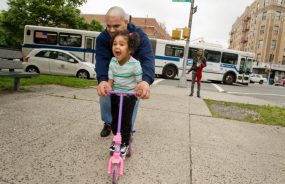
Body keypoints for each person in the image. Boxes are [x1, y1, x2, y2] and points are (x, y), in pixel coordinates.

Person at [95, 6, 155, 137]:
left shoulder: (140, 36)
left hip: (132, 74)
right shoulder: (102, 38)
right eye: (108, 26)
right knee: (105, 93)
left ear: (126, 22)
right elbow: (101, 60)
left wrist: (145, 81)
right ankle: (108, 123)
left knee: (133, 99)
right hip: (113, 72)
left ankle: (128, 131)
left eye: (116, 26)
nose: (111, 30)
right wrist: (103, 80)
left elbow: (147, 59)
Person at [107, 31, 142, 156]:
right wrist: (107, 86)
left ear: (130, 49)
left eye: (121, 44)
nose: (117, 47)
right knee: (115, 120)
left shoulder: (135, 64)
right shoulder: (112, 61)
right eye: (115, 44)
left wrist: (139, 90)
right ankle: (116, 139)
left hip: (129, 97)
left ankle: (125, 142)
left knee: (126, 121)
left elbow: (139, 82)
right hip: (115, 95)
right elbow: (110, 80)